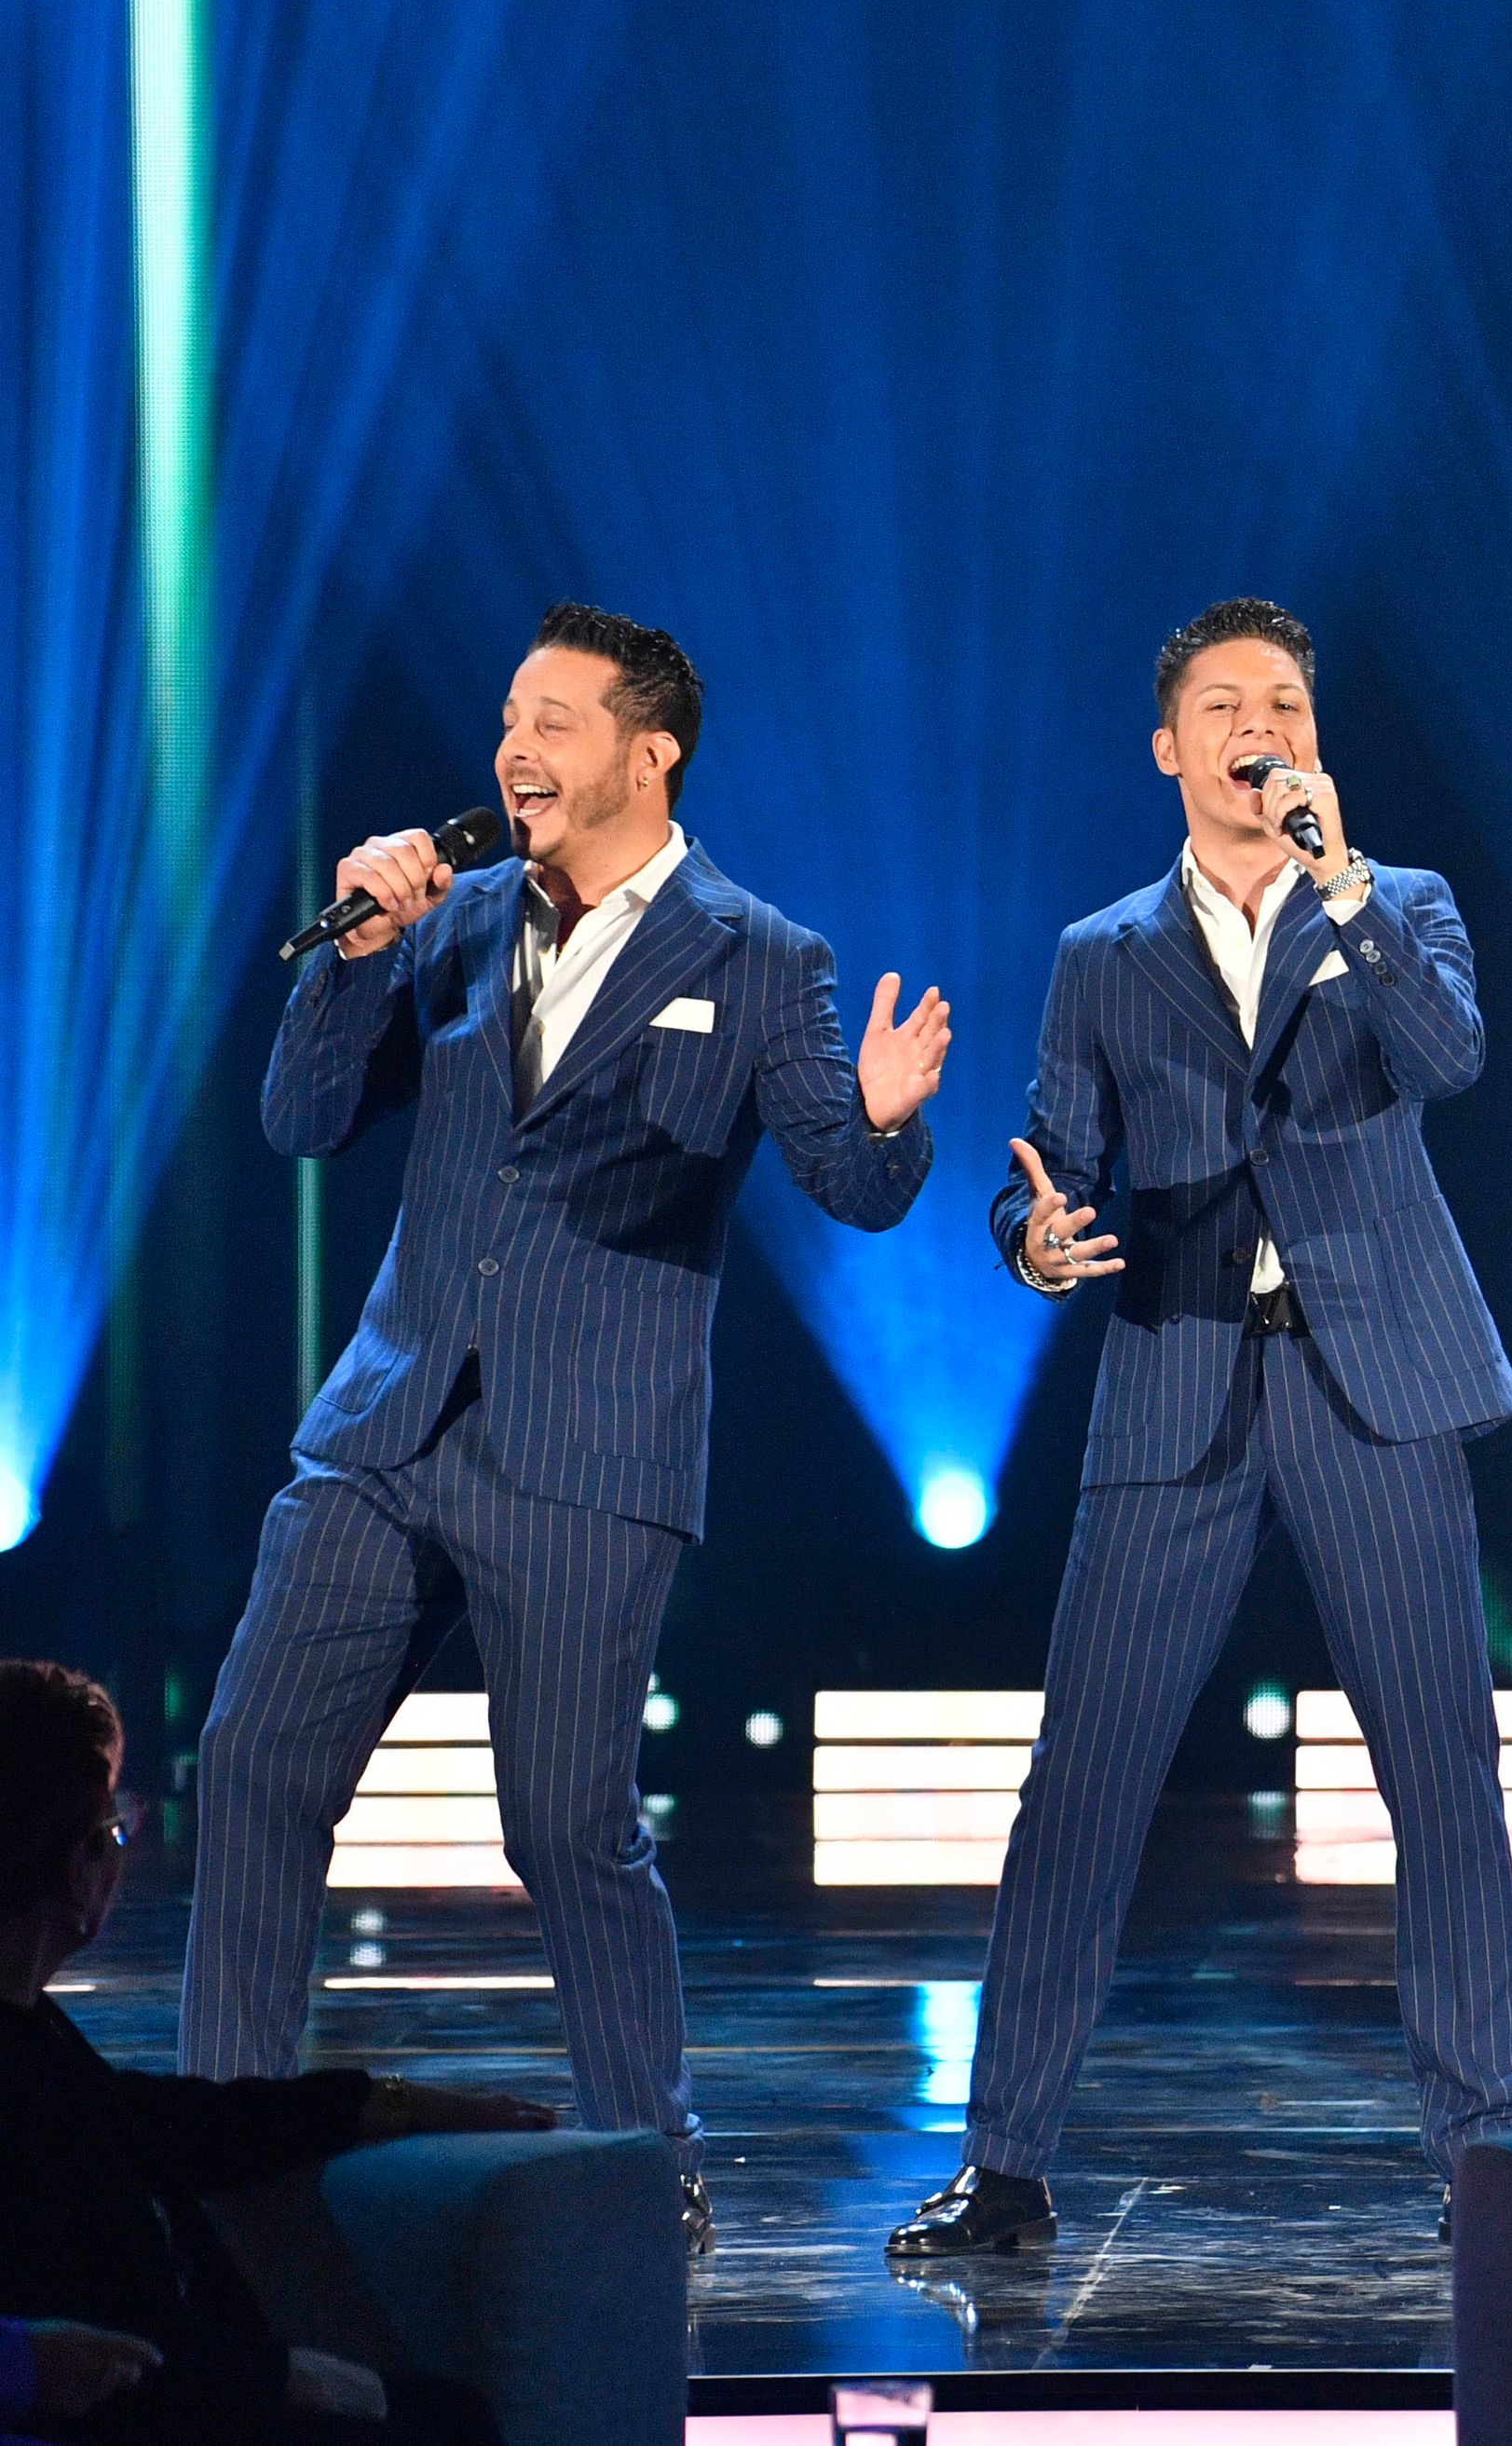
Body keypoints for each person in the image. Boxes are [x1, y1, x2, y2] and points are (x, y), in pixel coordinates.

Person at [184, 603, 953, 2250]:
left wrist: (895, 1125)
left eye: (553, 721)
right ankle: (225, 2147)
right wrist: (356, 961)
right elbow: (303, 1121)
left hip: (589, 1456)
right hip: (387, 1429)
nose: (512, 752)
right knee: (252, 1772)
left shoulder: (761, 959)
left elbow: (854, 1186)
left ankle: (640, 2164)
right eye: (507, 717)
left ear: (648, 752)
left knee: (566, 1828)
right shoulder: (452, 924)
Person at [889, 597, 1512, 2258]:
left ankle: (1486, 2156)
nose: (1265, 726)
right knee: (1083, 1781)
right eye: (1230, 705)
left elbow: (1449, 1060)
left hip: (1373, 1374)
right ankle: (1007, 2160)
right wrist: (1030, 1243)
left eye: (1291, 704)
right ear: (1170, 744)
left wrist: (1343, 884)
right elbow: (1052, 1159)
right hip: (1175, 1377)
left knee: (1441, 1780)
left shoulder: (1401, 903)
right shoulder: (1103, 954)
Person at [3, 1660, 552, 2442]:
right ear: (75, 1865)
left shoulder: (35, 2041)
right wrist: (278, 2378)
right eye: (115, 1830)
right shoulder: (26, 2060)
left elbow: (160, 2119)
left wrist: (388, 2101)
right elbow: (109, 2337)